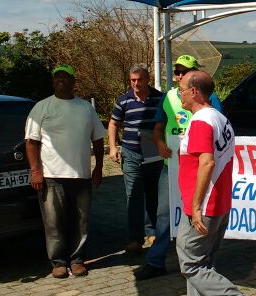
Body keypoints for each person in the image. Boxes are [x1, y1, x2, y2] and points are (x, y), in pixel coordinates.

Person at [171, 70, 256, 296]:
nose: (180, 93)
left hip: (205, 204)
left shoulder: (201, 121)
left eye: (183, 89)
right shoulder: (221, 119)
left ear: (196, 91)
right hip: (220, 201)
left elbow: (207, 163)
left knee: (190, 262)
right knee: (204, 261)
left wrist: (196, 206)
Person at [134, 55, 222, 281]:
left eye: (186, 71)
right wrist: (161, 144)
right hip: (171, 165)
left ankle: (201, 263)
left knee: (198, 213)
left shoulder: (209, 98)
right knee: (164, 213)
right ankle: (157, 260)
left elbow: (218, 126)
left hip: (197, 167)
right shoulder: (169, 98)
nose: (181, 75)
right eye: (178, 71)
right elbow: (158, 127)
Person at [25, 64, 104, 279]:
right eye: (57, 78)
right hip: (51, 176)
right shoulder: (42, 107)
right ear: (53, 82)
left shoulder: (85, 108)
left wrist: (99, 167)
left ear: (73, 82)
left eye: (65, 77)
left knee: (81, 221)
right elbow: (31, 142)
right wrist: (36, 171)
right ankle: (58, 262)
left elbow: (97, 138)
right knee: (54, 222)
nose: (61, 81)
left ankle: (77, 260)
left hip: (81, 176)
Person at [107, 64, 163, 255]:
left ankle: (152, 232)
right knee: (133, 195)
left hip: (153, 153)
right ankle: (134, 239)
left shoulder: (159, 99)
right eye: (133, 80)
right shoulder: (123, 100)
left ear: (147, 79)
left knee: (153, 194)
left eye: (139, 79)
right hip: (131, 153)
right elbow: (113, 123)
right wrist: (113, 147)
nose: (136, 84)